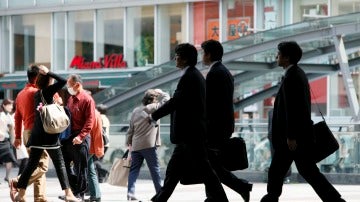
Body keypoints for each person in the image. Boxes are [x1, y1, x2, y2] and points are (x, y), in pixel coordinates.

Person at [260, 41, 346, 202]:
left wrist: (291, 136)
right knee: (305, 170)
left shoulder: (292, 77)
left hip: (293, 138)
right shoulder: (296, 73)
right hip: (296, 136)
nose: (276, 56)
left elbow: (293, 109)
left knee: (281, 170)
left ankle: (271, 197)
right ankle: (334, 199)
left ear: (286, 57)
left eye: (279, 54)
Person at [149, 43, 228, 202]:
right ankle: (159, 199)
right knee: (175, 172)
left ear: (184, 59)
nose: (175, 59)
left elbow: (177, 101)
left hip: (190, 134)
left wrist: (154, 115)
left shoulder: (189, 76)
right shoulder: (194, 75)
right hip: (191, 133)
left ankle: (221, 200)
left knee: (204, 170)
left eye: (177, 56)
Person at [12, 65, 80, 202]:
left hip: (35, 135)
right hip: (48, 134)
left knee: (32, 164)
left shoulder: (35, 94)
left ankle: (22, 193)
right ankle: (68, 194)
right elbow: (62, 81)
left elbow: (17, 116)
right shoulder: (46, 92)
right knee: (59, 164)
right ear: (48, 80)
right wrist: (49, 72)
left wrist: (18, 136)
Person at [201, 39, 253, 202]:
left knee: (209, 164)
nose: (202, 56)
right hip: (222, 125)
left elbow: (210, 103)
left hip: (215, 126)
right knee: (212, 164)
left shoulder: (215, 73)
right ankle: (234, 189)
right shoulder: (223, 71)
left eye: (203, 53)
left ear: (208, 54)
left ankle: (228, 191)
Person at [12, 65, 50, 202]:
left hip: (26, 133)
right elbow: (57, 101)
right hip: (38, 132)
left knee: (35, 164)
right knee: (43, 166)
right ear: (37, 78)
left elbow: (17, 117)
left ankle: (38, 197)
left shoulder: (20, 94)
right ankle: (17, 182)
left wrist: (17, 136)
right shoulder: (38, 92)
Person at [126, 89, 170, 201]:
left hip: (136, 145)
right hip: (148, 145)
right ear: (154, 99)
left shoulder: (136, 111)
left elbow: (130, 129)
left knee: (134, 170)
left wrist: (129, 143)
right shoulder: (154, 107)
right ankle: (159, 192)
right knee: (155, 170)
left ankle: (130, 192)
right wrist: (161, 92)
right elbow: (167, 100)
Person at [60, 74, 95, 200]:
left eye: (69, 85)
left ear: (77, 85)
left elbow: (90, 121)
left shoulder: (87, 99)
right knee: (63, 164)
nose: (68, 87)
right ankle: (73, 191)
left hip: (81, 137)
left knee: (81, 167)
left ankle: (79, 194)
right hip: (68, 136)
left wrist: (80, 136)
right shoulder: (70, 98)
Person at [267, 95, 291, 184]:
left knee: (284, 158)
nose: (273, 102)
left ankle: (286, 176)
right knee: (274, 158)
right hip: (272, 137)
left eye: (274, 100)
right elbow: (269, 125)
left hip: (281, 138)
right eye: (272, 100)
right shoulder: (270, 112)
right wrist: (268, 135)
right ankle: (277, 177)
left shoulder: (283, 111)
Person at [85, 107, 104, 202]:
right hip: (90, 146)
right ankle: (96, 195)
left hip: (87, 146)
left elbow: (97, 132)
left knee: (80, 169)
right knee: (90, 170)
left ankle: (76, 193)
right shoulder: (95, 113)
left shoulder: (91, 113)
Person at [0, 98, 17, 183]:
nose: (11, 106)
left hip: (5, 140)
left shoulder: (10, 116)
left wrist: (13, 141)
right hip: (0, 139)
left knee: (9, 158)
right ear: (4, 105)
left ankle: (7, 176)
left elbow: (12, 129)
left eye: (12, 105)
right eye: (9, 105)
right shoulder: (1, 114)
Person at [94, 104, 110, 183]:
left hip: (102, 142)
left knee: (96, 161)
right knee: (98, 160)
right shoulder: (106, 118)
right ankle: (100, 177)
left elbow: (100, 130)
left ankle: (104, 173)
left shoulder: (101, 117)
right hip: (105, 143)